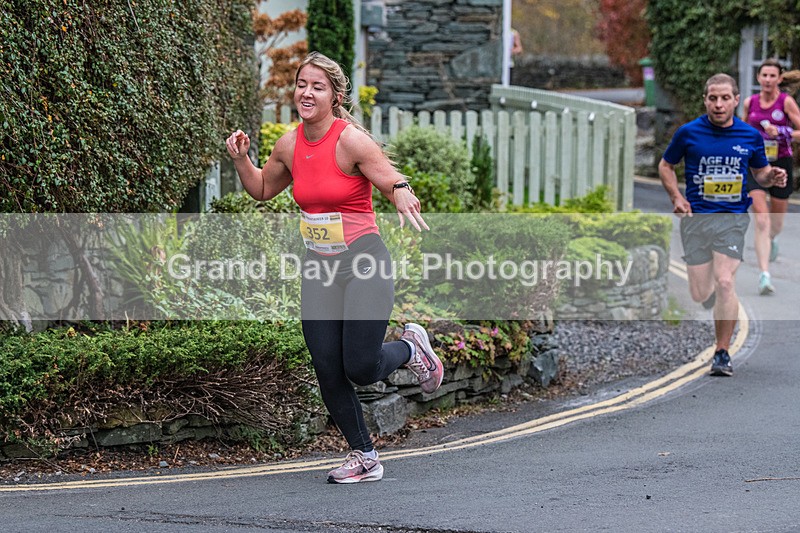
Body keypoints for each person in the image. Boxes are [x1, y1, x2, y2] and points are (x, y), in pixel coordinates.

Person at [225, 52, 444, 483]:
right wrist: (240, 160)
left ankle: (412, 348)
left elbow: (389, 178)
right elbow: (264, 189)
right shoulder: (288, 144)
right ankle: (364, 455)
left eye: (317, 87)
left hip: (363, 259)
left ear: (335, 96)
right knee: (326, 364)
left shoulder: (351, 141)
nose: (306, 92)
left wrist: (401, 192)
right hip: (319, 266)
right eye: (301, 84)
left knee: (359, 367)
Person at [658, 73, 788, 377]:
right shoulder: (688, 133)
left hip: (731, 220)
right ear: (705, 100)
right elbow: (666, 165)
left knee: (726, 281)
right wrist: (676, 196)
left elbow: (761, 173)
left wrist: (774, 178)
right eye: (713, 98)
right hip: (696, 221)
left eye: (725, 98)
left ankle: (722, 352)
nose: (718, 104)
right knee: (700, 293)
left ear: (736, 99)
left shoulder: (749, 136)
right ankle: (713, 298)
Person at [742, 59, 800, 295]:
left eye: (771, 76)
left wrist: (783, 132)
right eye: (763, 75)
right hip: (756, 165)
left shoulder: (786, 102)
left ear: (778, 79)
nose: (767, 80)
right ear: (758, 78)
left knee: (775, 223)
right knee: (762, 220)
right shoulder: (750, 103)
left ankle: (773, 238)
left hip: (781, 164)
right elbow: (743, 130)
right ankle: (764, 274)